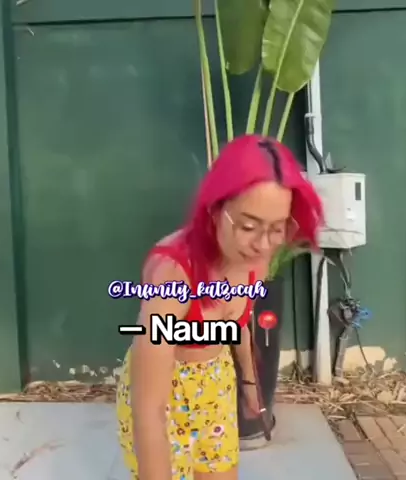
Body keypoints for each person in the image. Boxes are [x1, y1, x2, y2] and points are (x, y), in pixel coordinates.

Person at [116, 134, 323, 480]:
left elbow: (237, 324)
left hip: (216, 384)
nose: (263, 244)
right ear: (215, 210)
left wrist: (249, 381)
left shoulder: (255, 256)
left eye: (277, 228)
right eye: (248, 226)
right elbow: (148, 409)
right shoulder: (173, 274)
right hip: (166, 396)